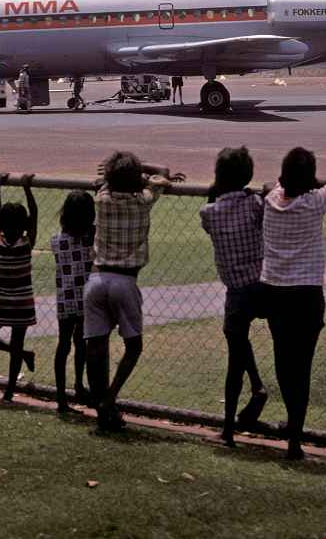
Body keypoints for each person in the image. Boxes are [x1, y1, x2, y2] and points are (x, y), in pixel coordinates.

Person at [261, 147, 326, 460]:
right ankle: (295, 439)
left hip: (274, 291)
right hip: (305, 294)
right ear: (309, 180)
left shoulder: (271, 199)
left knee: (283, 361)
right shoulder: (315, 201)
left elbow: (272, 185)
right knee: (302, 366)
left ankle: (291, 423)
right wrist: (322, 184)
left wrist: (308, 183)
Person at [84, 151, 184, 432]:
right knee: (133, 346)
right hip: (126, 281)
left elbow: (105, 180)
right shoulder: (144, 200)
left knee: (95, 347)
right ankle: (109, 399)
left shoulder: (102, 199)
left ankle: (102, 409)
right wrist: (144, 170)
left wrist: (120, 171)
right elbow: (163, 169)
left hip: (97, 278)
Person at [200, 146, 268, 447]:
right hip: (264, 285)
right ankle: (258, 388)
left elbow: (210, 210)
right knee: (246, 345)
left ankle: (228, 430)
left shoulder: (209, 213)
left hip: (237, 291)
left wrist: (215, 191)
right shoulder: (256, 204)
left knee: (235, 354)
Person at [0, 174, 38, 401]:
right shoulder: (26, 244)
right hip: (21, 305)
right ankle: (10, 389)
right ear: (25, 225)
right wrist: (27, 188)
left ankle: (21, 358)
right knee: (16, 343)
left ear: (1, 224)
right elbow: (35, 215)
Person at [50, 190, 95, 413]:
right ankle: (79, 384)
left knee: (63, 345)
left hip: (65, 299)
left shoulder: (57, 241)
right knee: (82, 343)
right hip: (86, 299)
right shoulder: (92, 238)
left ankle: (61, 397)